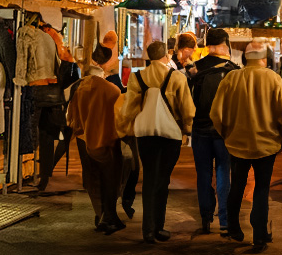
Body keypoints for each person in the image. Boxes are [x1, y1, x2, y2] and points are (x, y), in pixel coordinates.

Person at [211, 38, 282, 254]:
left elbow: (215, 114)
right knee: (261, 188)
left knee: (237, 186)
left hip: (237, 143)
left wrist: (227, 134)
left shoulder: (231, 78)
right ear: (264, 59)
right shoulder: (273, 78)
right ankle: (259, 235)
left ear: (245, 58)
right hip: (266, 145)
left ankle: (233, 228)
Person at [117, 40, 196, 244]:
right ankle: (159, 227)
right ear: (166, 56)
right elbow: (187, 110)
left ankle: (148, 230)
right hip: (170, 135)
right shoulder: (177, 78)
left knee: (150, 178)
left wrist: (123, 128)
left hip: (144, 134)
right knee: (163, 179)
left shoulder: (137, 78)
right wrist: (187, 129)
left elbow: (128, 109)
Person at [66, 45, 127, 235]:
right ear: (108, 62)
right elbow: (120, 118)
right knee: (111, 178)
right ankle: (109, 216)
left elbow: (70, 118)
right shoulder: (112, 90)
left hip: (84, 138)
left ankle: (100, 214)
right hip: (107, 139)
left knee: (92, 177)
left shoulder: (78, 86)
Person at [188, 28, 240, 236]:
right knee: (223, 173)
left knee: (203, 173)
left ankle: (205, 217)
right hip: (223, 130)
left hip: (200, 128)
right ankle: (225, 220)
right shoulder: (233, 70)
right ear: (225, 43)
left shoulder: (195, 69)